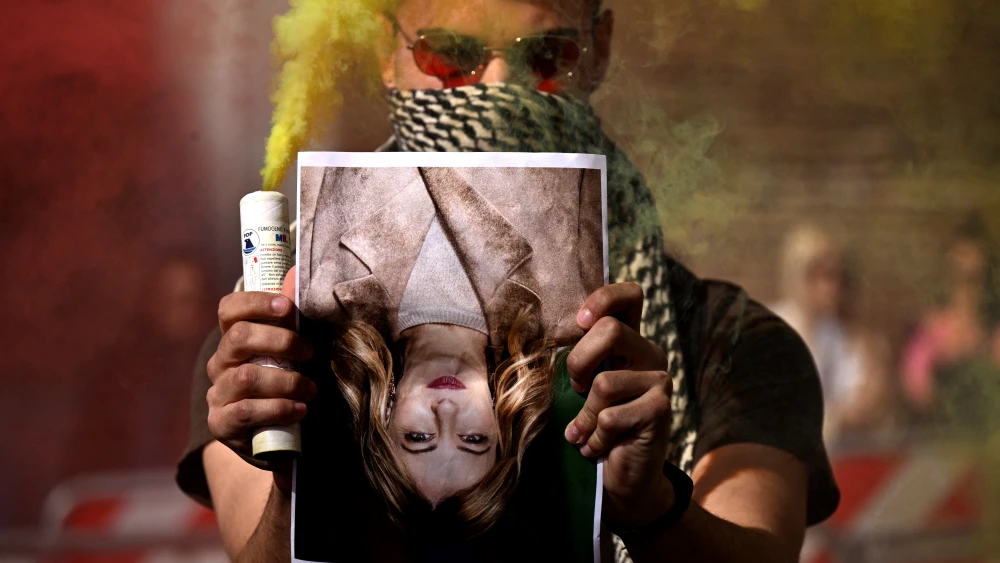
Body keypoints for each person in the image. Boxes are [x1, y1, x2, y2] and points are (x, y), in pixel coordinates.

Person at [176, 0, 841, 562]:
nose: (499, 89)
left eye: (548, 55)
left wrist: (649, 501)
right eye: (450, 55)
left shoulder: (728, 343)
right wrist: (298, 477)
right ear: (388, 48)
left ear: (599, 48)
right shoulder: (274, 339)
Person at [770, 224, 894, 443]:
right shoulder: (770, 330)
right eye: (818, 276)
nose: (831, 287)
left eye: (836, 276)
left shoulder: (844, 334)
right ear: (797, 277)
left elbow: (862, 403)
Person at [901, 214, 1000, 430]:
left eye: (974, 277)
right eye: (959, 275)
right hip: (944, 440)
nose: (966, 288)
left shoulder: (994, 331)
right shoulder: (931, 330)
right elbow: (916, 386)